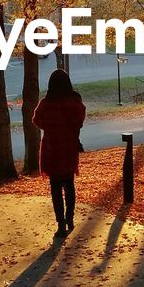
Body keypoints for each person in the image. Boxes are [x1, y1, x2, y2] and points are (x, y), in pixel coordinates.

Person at [32, 68, 86, 238]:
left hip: (52, 149)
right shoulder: (75, 102)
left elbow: (36, 120)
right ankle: (69, 218)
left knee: (55, 188)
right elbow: (80, 120)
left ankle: (60, 224)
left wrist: (51, 127)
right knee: (69, 185)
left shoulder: (46, 104)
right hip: (69, 147)